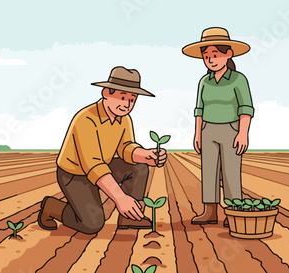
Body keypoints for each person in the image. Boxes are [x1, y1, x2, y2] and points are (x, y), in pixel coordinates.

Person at [38, 66, 167, 234]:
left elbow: (126, 147)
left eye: (132, 99)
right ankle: (52, 207)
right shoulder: (86, 119)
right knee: (92, 224)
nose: (127, 104)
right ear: (106, 93)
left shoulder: (124, 119)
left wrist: (145, 155)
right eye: (122, 97)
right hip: (75, 174)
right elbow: (93, 164)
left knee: (139, 167)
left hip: (104, 165)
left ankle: (129, 217)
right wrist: (120, 198)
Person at [182, 27, 254, 226]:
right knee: (209, 170)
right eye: (206, 56)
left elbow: (246, 108)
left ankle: (233, 211)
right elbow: (199, 109)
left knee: (231, 171)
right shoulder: (204, 81)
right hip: (208, 130)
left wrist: (243, 133)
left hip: (231, 129)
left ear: (228, 54)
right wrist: (197, 134)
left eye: (215, 54)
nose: (211, 60)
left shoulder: (239, 80)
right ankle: (210, 211)